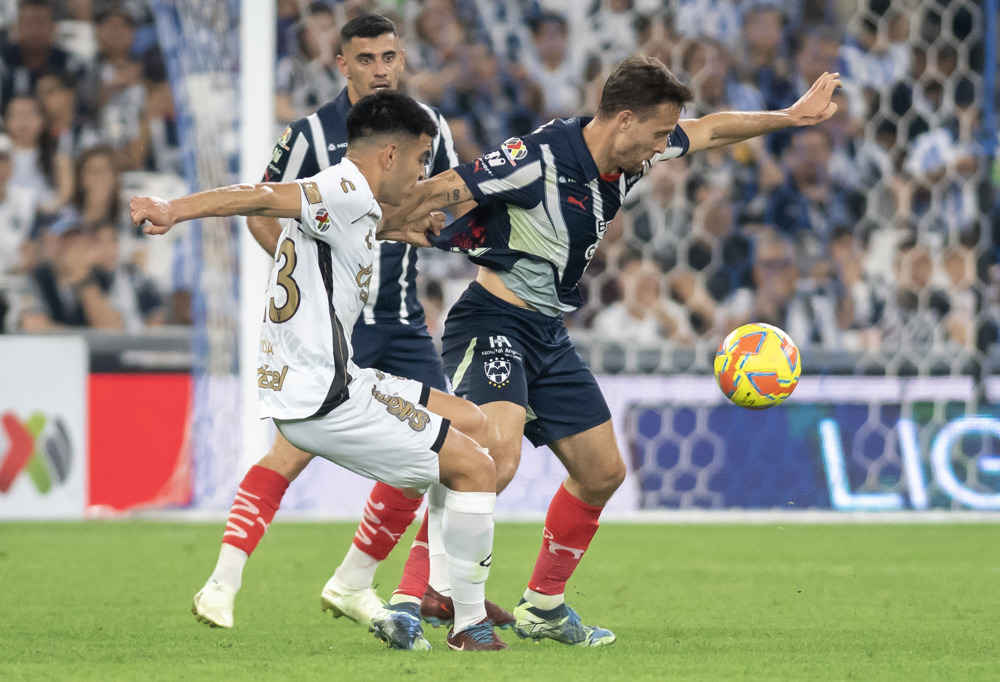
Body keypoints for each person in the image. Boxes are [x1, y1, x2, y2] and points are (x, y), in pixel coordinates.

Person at [380, 54, 841, 646]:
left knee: (603, 473)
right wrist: (371, 220)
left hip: (546, 331)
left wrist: (789, 116)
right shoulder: (539, 157)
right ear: (623, 120)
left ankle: (542, 606)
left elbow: (711, 129)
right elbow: (448, 185)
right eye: (653, 135)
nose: (659, 149)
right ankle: (415, 595)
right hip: (491, 319)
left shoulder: (628, 157)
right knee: (493, 460)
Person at [130, 90, 507, 652]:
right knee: (475, 469)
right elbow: (255, 195)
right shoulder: (340, 186)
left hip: (325, 382)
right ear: (390, 155)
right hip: (324, 397)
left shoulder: (350, 201)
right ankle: (466, 622)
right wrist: (173, 210)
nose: (425, 171)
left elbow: (367, 225)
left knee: (470, 423)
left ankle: (356, 582)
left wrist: (424, 231)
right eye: (422, 158)